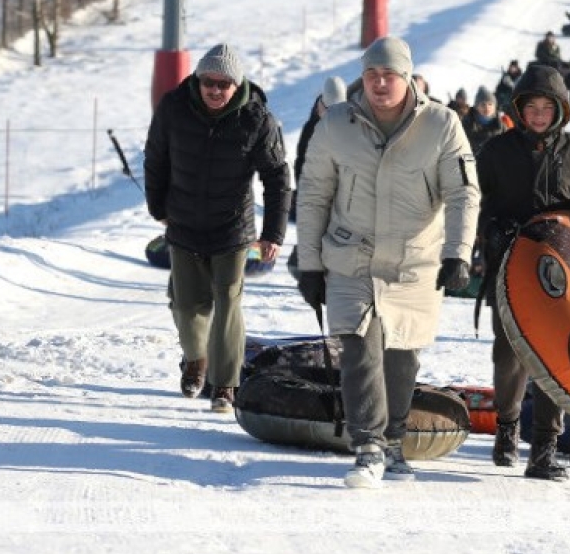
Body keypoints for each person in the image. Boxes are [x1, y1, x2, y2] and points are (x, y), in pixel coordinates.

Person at [294, 36, 479, 489]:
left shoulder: (441, 124)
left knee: (400, 359)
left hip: (413, 263)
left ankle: (395, 440)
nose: (380, 83)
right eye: (373, 74)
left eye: (389, 75)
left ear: (407, 77)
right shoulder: (336, 124)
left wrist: (457, 253)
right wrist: (311, 264)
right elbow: (314, 195)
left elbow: (462, 193)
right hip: (350, 256)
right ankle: (368, 447)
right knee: (358, 348)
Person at [476, 64, 570, 482]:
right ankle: (506, 426)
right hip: (508, 265)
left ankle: (544, 449)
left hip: (558, 270)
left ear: (560, 110)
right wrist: (491, 230)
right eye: (530, 106)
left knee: (555, 355)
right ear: (519, 109)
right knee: (510, 354)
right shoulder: (495, 151)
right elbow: (475, 201)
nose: (538, 114)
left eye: (546, 107)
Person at [144, 43, 292, 413]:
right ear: (198, 79)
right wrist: (158, 207)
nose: (215, 90)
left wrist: (273, 233)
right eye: (208, 82)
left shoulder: (256, 118)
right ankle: (196, 360)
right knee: (186, 305)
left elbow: (277, 177)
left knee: (228, 303)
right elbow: (155, 157)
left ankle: (225, 385)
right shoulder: (174, 108)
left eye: (223, 84)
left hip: (232, 228)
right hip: (184, 223)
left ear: (236, 84)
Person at [292, 76, 349, 221]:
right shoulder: (311, 128)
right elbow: (301, 165)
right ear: (321, 106)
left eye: (338, 110)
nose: (333, 116)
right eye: (329, 110)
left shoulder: (353, 122)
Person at [462, 86, 506, 155]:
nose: (487, 108)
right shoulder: (467, 124)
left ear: (495, 107)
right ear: (476, 106)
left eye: (490, 104)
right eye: (483, 104)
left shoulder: (500, 125)